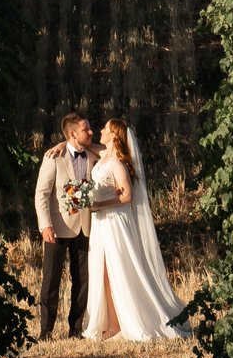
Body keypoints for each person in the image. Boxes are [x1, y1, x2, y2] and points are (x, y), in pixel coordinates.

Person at [82, 118, 193, 341]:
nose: (100, 131)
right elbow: (81, 145)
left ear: (114, 135)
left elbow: (127, 196)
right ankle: (113, 323)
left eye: (105, 129)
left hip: (115, 222)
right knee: (103, 274)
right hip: (101, 224)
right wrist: (60, 145)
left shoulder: (117, 163)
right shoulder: (104, 157)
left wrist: (98, 205)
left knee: (117, 271)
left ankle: (124, 323)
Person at [32, 112, 100, 339]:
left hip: (86, 227)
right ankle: (46, 331)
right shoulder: (53, 158)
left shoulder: (91, 155)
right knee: (51, 280)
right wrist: (45, 226)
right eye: (85, 130)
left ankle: (76, 328)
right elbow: (41, 195)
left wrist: (65, 142)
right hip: (58, 227)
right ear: (73, 134)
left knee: (83, 280)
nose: (91, 132)